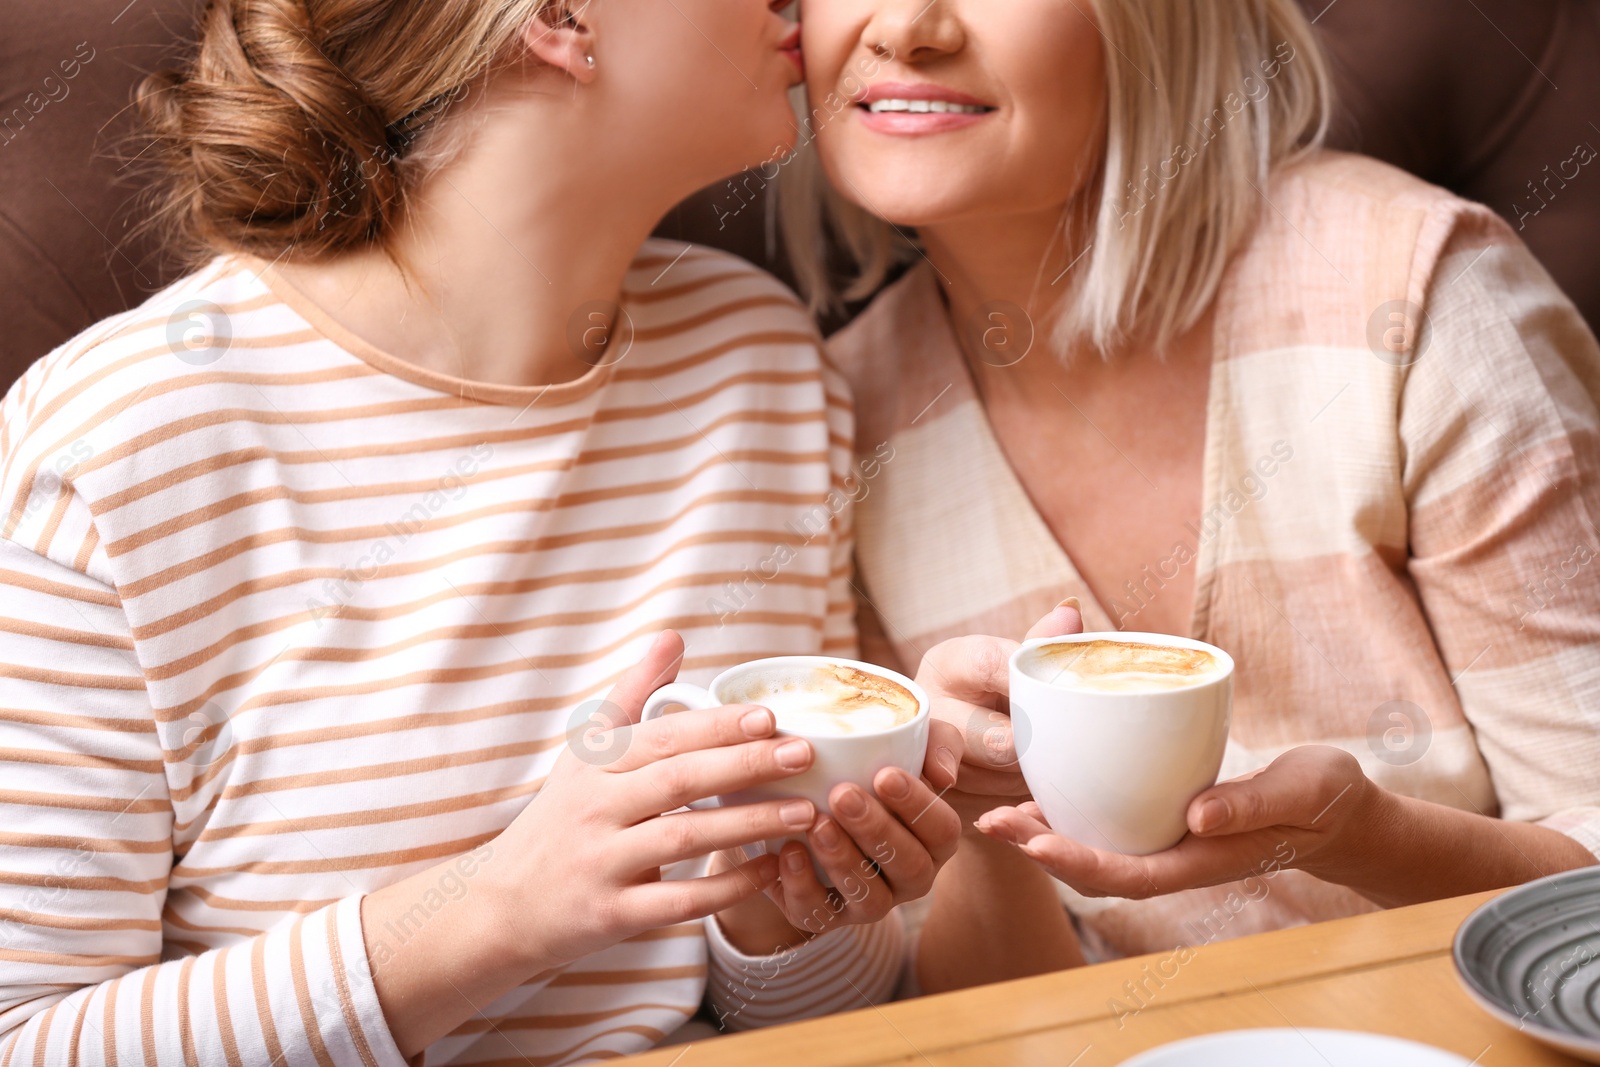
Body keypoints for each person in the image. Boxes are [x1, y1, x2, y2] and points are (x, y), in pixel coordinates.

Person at [0, 1, 962, 1063]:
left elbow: (821, 1026)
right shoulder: (122, 449)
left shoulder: (757, 360)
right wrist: (493, 913)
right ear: (558, 18)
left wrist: (784, 912)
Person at [790, 0, 1600, 993]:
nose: (911, 27)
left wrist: (1364, 836)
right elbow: (981, 1029)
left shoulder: (1414, 294)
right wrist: (976, 825)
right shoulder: (836, 414)